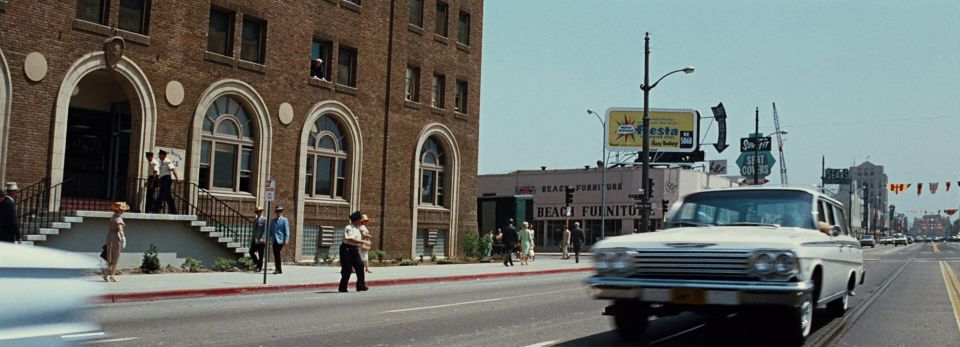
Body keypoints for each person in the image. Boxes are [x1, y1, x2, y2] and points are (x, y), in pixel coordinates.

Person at [340, 211, 371, 292]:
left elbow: (361, 235)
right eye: (359, 220)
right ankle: (342, 287)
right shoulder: (348, 227)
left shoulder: (358, 228)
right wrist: (363, 242)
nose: (361, 221)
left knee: (360, 266)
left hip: (354, 249)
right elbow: (350, 239)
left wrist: (365, 235)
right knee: (347, 269)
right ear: (355, 220)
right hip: (346, 249)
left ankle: (361, 286)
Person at [103, 202, 128, 282]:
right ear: (119, 210)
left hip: (110, 236)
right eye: (122, 210)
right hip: (115, 237)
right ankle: (111, 275)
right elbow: (120, 229)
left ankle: (108, 275)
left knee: (109, 255)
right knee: (115, 256)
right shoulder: (118, 219)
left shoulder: (113, 216)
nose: (123, 211)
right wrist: (123, 237)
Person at [157, 150, 179, 214]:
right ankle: (173, 210)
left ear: (163, 155)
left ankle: (157, 208)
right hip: (163, 179)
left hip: (166, 179)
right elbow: (161, 172)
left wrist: (177, 178)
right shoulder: (162, 162)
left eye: (160, 155)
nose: (159, 156)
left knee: (161, 194)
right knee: (168, 196)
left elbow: (173, 169)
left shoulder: (168, 161)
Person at [269, 206, 290, 274]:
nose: (278, 212)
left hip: (280, 240)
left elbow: (287, 231)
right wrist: (267, 237)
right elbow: (271, 230)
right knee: (275, 254)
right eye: (277, 211)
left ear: (281, 212)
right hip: (274, 240)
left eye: (280, 211)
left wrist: (286, 240)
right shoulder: (273, 220)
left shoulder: (284, 220)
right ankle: (279, 269)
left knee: (277, 253)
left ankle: (278, 269)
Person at [249, 206, 267, 272]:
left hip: (261, 240)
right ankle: (257, 263)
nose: (258, 213)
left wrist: (262, 238)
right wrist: (253, 239)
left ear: (262, 212)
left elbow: (265, 230)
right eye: (257, 212)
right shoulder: (255, 220)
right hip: (255, 239)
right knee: (251, 251)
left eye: (260, 211)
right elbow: (254, 231)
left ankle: (259, 268)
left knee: (260, 254)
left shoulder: (265, 219)